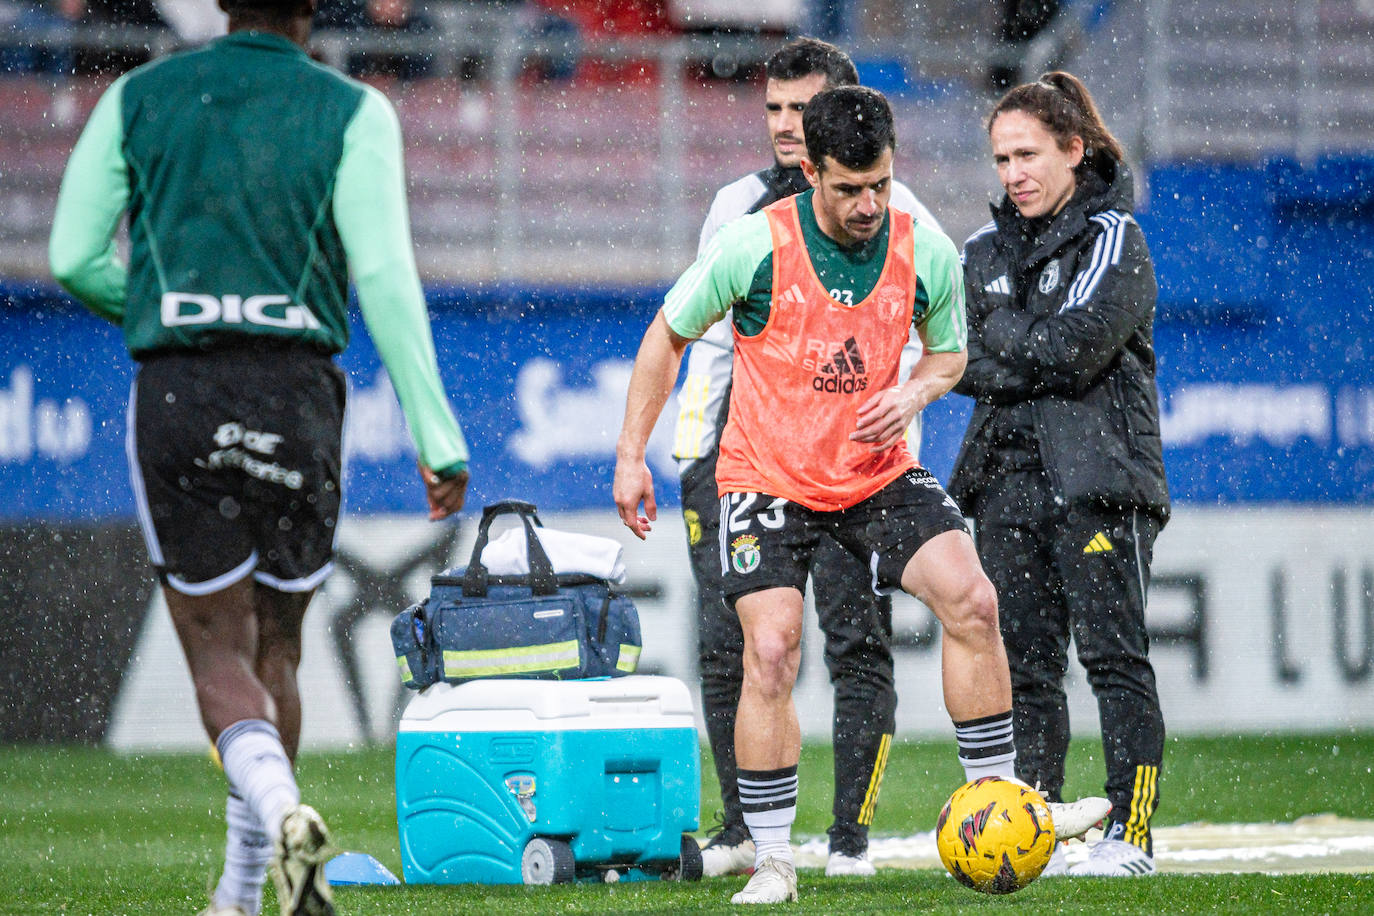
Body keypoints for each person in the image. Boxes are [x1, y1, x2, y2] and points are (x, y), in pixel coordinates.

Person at [615, 85, 1106, 905]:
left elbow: (949, 357)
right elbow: (666, 335)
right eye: (849, 188)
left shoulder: (926, 250)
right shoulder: (752, 244)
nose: (869, 203)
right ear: (811, 172)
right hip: (767, 475)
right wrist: (632, 455)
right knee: (769, 650)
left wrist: (914, 394)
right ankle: (773, 858)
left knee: (973, 600)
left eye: (880, 183)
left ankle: (1001, 808)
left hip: (873, 473)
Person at [48, 0, 471, 912]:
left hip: (182, 391)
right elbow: (388, 278)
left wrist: (165, 310)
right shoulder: (354, 109)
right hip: (299, 393)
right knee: (280, 649)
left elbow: (74, 256)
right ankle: (242, 894)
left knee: (216, 656)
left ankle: (278, 819)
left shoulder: (139, 96)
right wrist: (436, 436)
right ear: (315, 6)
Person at [673, 36, 943, 879]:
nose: (786, 127)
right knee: (735, 647)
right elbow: (709, 341)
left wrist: (898, 459)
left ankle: (850, 837)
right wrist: (691, 452)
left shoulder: (905, 219)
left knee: (856, 642)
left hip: (857, 462)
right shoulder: (738, 205)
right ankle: (746, 831)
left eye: (802, 108)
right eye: (774, 110)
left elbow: (916, 354)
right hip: (741, 456)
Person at [950, 70, 1169, 878]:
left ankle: (1130, 836)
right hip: (1004, 480)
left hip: (1099, 481)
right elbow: (958, 365)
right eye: (1002, 158)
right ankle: (1032, 825)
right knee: (1028, 666)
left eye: (1029, 153)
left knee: (1115, 659)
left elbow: (1077, 351)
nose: (1014, 174)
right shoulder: (977, 250)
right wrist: (1025, 347)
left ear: (1074, 150)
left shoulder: (1117, 238)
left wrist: (1005, 331)